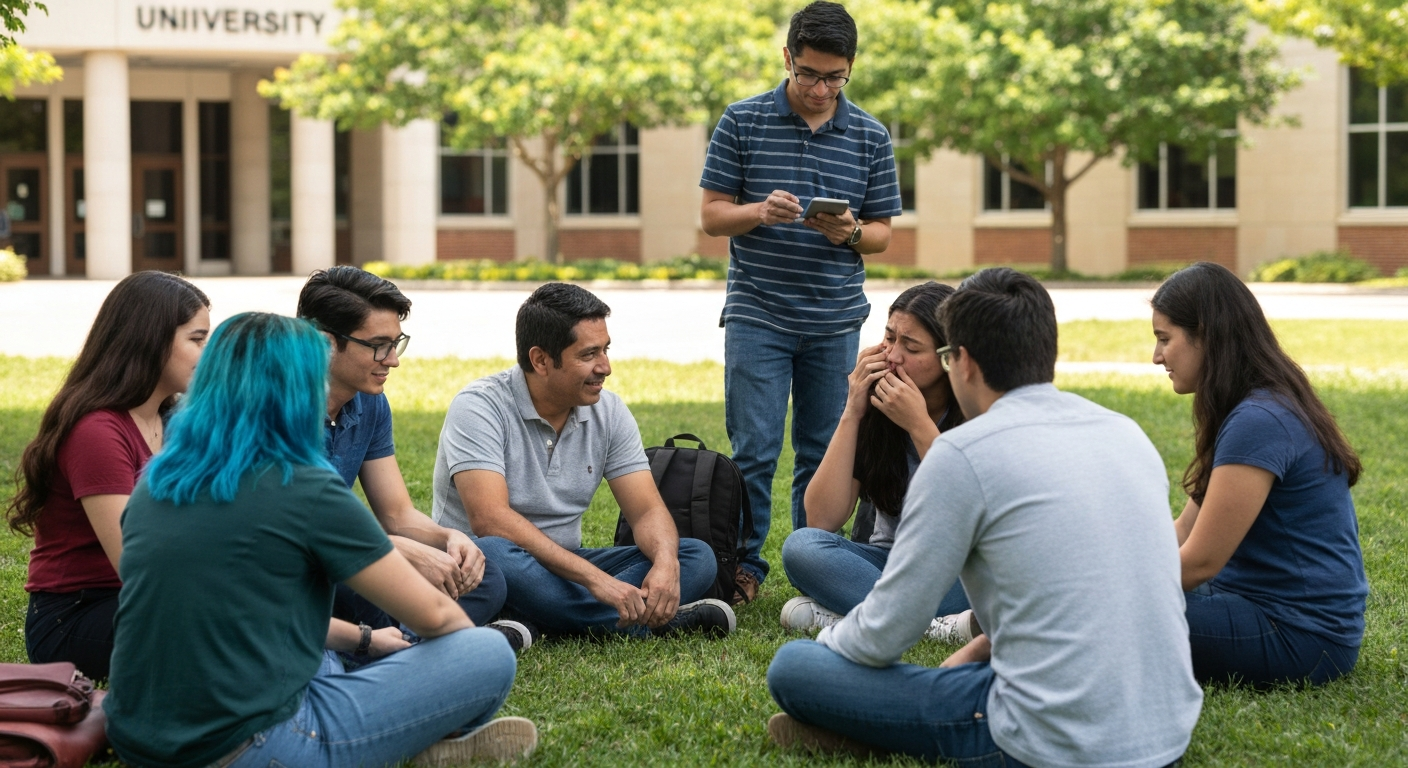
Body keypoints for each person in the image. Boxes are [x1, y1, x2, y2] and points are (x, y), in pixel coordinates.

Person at [765, 268, 1202, 766]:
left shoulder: (965, 451)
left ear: (962, 362)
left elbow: (883, 636)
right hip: (1165, 735)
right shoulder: (1126, 434)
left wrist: (831, 645)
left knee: (794, 667)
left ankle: (884, 729)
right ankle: (892, 722)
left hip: (1045, 741)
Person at [104, 312, 536, 768]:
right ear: (299, 390)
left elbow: (250, 618)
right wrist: (449, 681)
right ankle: (415, 739)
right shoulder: (303, 486)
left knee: (326, 659)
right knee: (486, 653)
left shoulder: (156, 482)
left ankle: (398, 731)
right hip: (251, 748)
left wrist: (365, 639)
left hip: (137, 740)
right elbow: (436, 615)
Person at [699, 0, 902, 599]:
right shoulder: (742, 121)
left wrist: (852, 233)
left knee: (824, 452)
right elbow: (712, 217)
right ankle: (744, 569)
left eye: (835, 77)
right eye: (809, 73)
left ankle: (818, 572)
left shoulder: (869, 135)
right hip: (758, 313)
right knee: (754, 452)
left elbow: (884, 233)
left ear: (851, 68)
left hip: (835, 318)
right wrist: (759, 212)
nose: (820, 88)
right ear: (787, 57)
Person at [431, 283, 734, 638]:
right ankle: (639, 624)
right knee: (494, 551)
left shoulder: (609, 411)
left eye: (605, 350)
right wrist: (597, 582)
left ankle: (539, 621)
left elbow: (647, 511)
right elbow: (490, 520)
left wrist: (666, 567)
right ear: (541, 360)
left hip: (566, 565)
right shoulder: (479, 407)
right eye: (588, 354)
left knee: (694, 556)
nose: (605, 367)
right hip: (489, 566)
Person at [1151, 262, 1367, 687]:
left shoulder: (1260, 418)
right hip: (1244, 602)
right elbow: (1182, 532)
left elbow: (1198, 563)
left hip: (1302, 635)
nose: (1156, 356)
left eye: (1164, 339)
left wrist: (1100, 586)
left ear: (1207, 337)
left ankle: (987, 637)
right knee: (1073, 594)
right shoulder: (1246, 407)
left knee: (1104, 614)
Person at [295, 266, 522, 650]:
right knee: (354, 585)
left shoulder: (371, 404)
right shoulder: (276, 409)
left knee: (486, 577)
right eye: (378, 345)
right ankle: (412, 643)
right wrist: (397, 553)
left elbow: (397, 514)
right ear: (325, 343)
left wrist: (448, 537)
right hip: (299, 564)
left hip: (352, 559)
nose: (393, 360)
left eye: (396, 343)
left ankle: (398, 644)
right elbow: (296, 532)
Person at [5, 271, 210, 680]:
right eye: (198, 339)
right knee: (228, 624)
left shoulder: (175, 418)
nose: (211, 354)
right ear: (150, 340)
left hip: (144, 598)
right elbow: (136, 562)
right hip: (76, 617)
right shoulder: (97, 431)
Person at [779, 282, 972, 639]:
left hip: (957, 569)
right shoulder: (875, 405)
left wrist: (919, 425)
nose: (893, 355)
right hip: (885, 564)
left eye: (911, 347)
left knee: (993, 582)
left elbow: (971, 506)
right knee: (801, 547)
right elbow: (821, 519)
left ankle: (857, 617)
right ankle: (929, 626)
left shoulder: (976, 410)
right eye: (889, 338)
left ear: (950, 358)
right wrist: (852, 411)